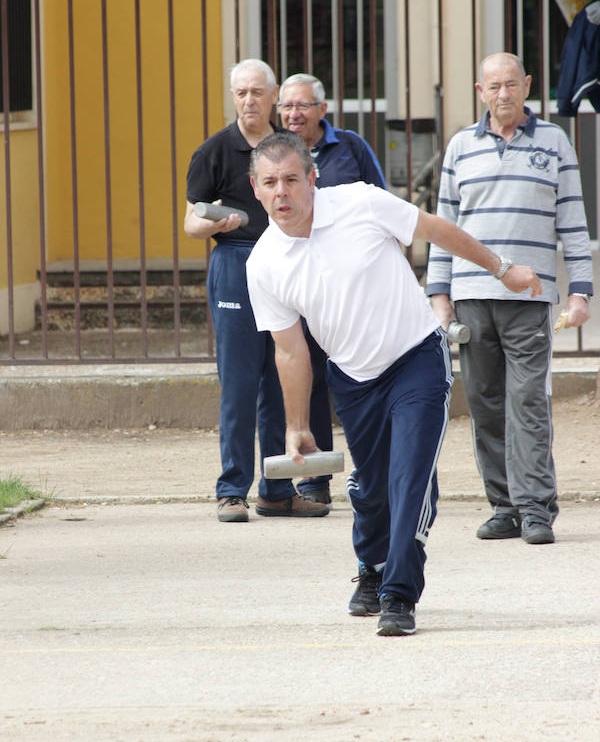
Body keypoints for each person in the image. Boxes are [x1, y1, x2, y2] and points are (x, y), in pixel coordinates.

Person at [245, 131, 542, 636]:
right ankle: (373, 567)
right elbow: (291, 350)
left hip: (415, 360)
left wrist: (502, 268)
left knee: (409, 480)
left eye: (292, 179)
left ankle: (399, 594)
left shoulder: (362, 202)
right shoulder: (263, 262)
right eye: (270, 183)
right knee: (371, 487)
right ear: (255, 188)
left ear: (313, 179)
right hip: (354, 379)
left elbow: (435, 229)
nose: (282, 192)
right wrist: (297, 426)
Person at [426, 52, 593, 546]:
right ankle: (504, 505)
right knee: (484, 403)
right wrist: (439, 294)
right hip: (472, 295)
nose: (503, 94)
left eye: (512, 84)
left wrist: (581, 290)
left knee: (527, 403)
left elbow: (574, 223)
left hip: (531, 296)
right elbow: (442, 228)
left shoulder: (554, 142)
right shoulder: (460, 147)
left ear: (527, 86)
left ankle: (536, 507)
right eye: (493, 86)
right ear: (480, 91)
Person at [184, 59, 329, 523]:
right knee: (240, 381)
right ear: (233, 97)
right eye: (240, 92)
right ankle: (232, 490)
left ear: (273, 98)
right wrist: (214, 225)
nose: (248, 100)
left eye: (256, 92)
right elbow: (189, 222)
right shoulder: (213, 152)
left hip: (286, 259)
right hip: (234, 260)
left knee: (281, 376)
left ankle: (278, 489)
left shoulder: (286, 149)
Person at [277, 73, 387, 506]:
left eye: (302, 105)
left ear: (322, 110)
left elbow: (382, 204)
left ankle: (371, 471)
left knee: (360, 374)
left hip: (354, 286)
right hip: (302, 283)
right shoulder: (277, 154)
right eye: (286, 106)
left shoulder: (352, 146)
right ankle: (315, 481)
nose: (293, 114)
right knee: (310, 378)